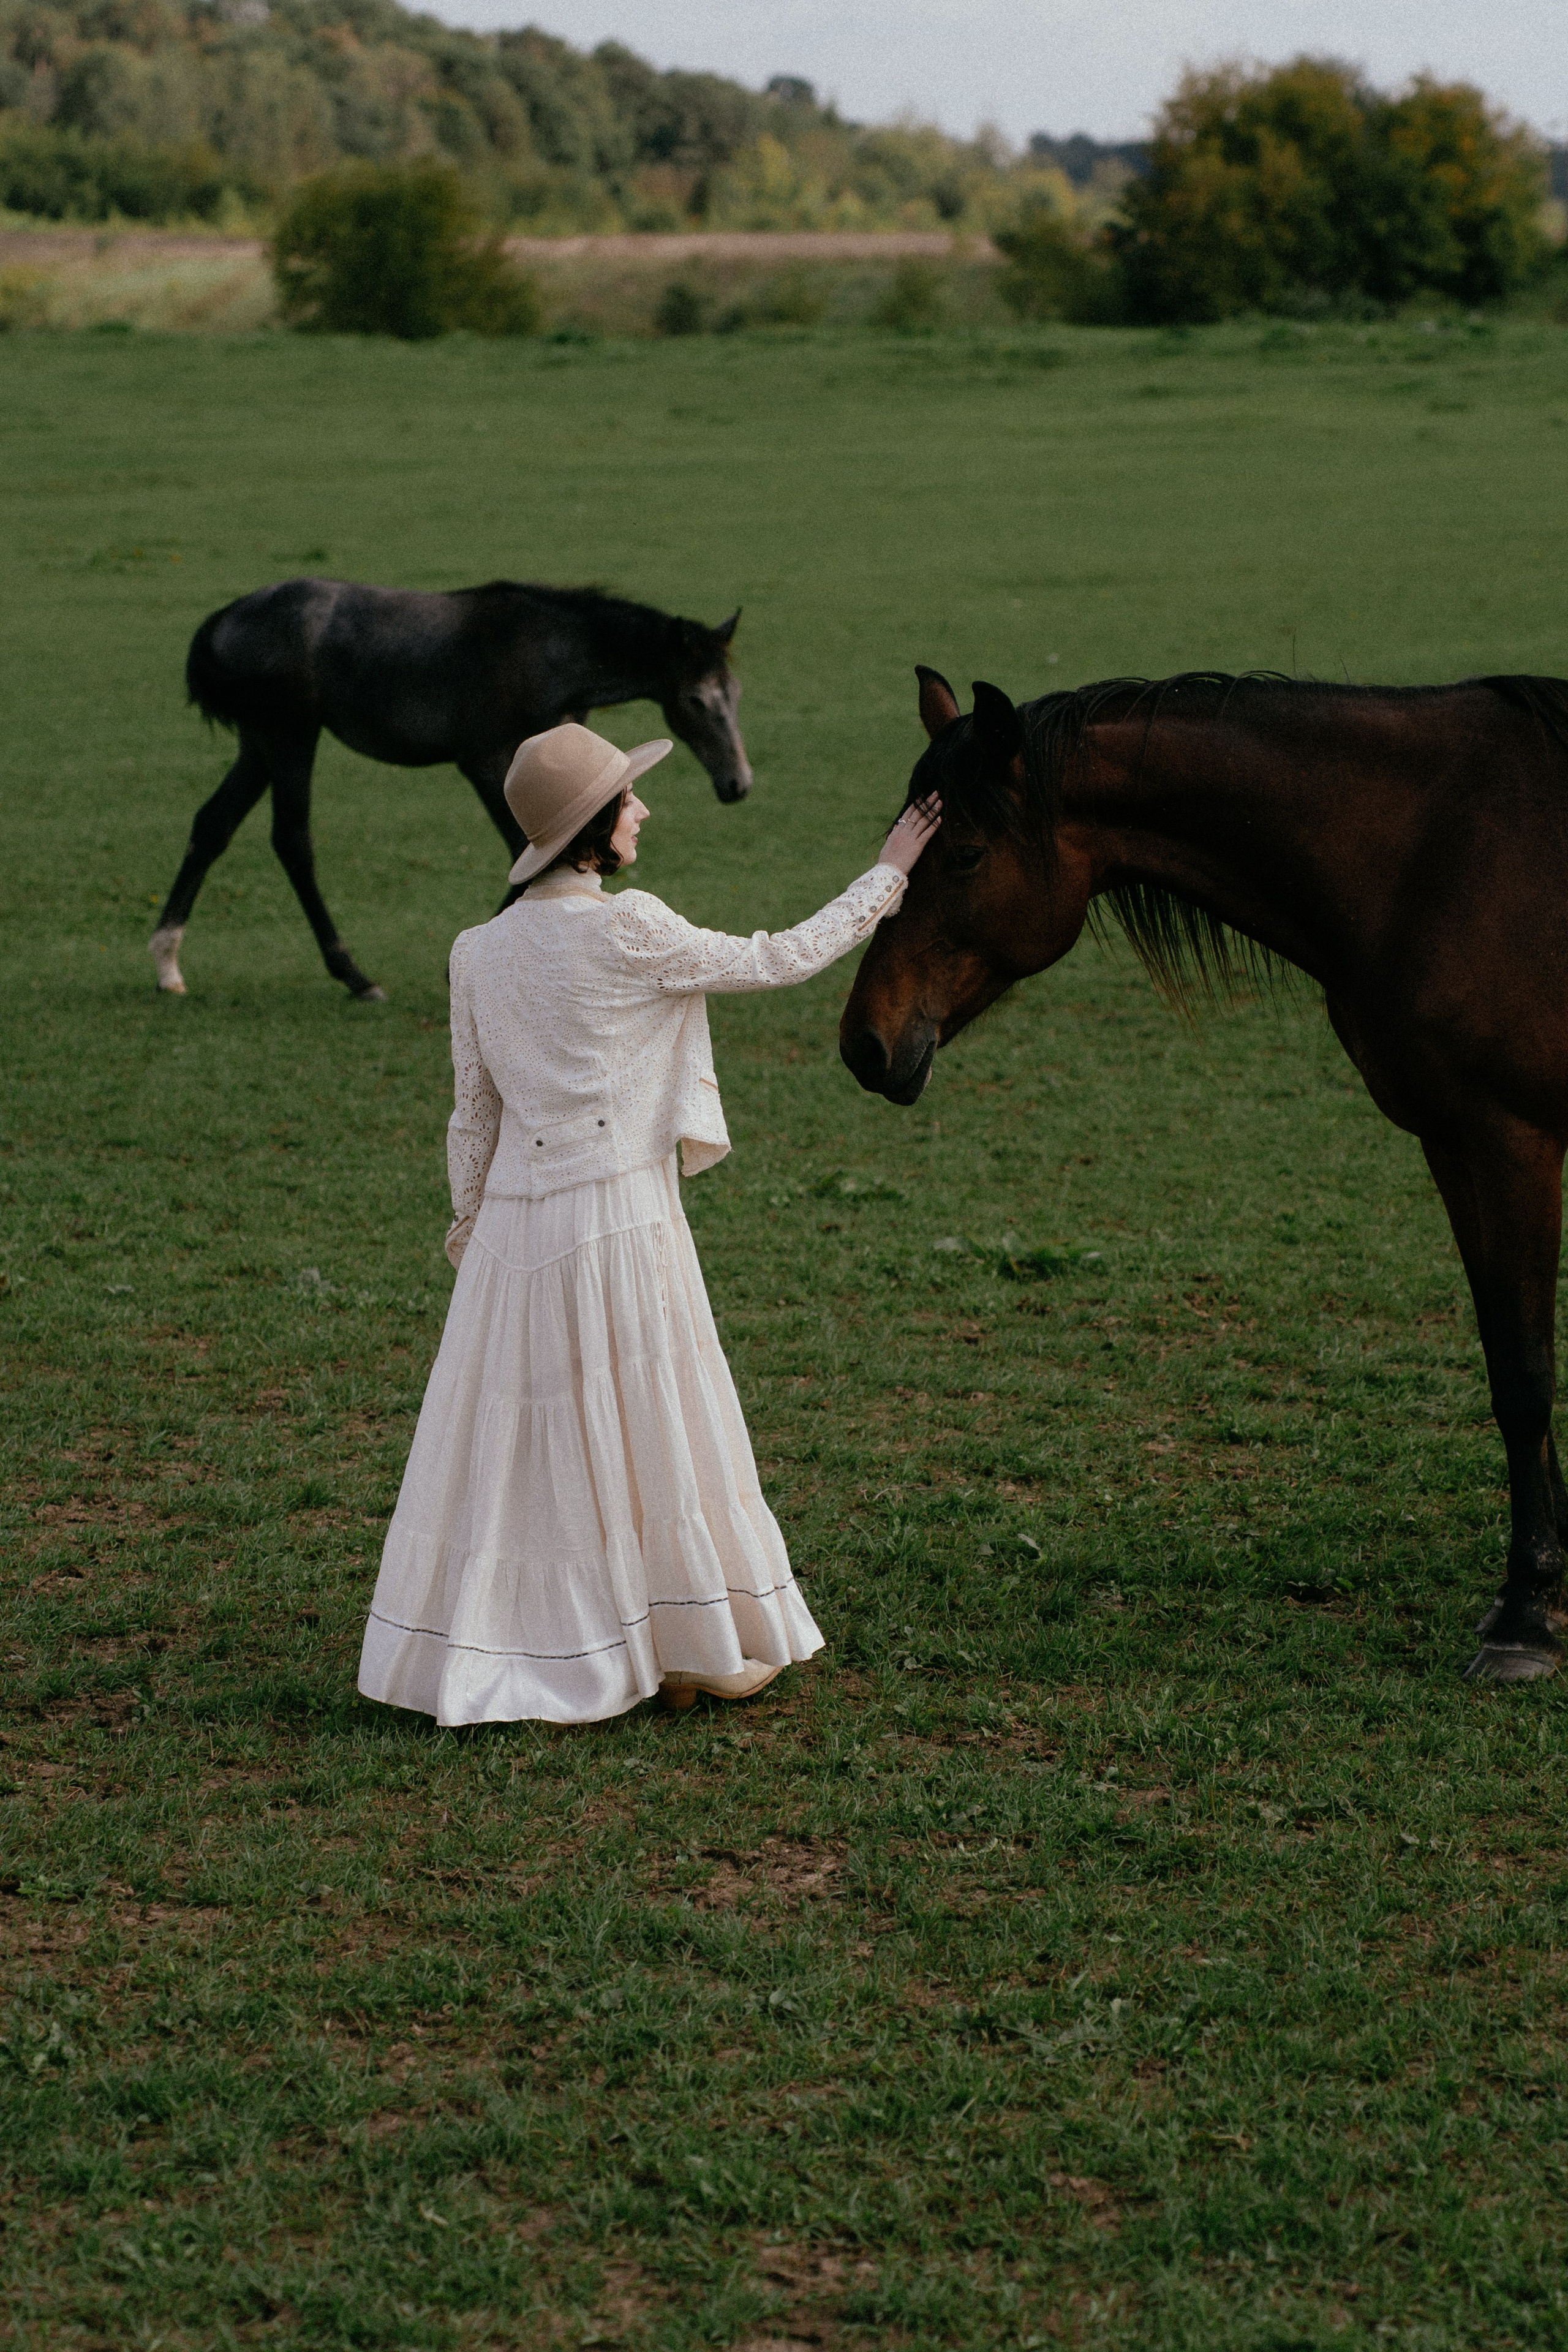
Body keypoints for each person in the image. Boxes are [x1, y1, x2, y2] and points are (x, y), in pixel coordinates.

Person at [357, 721, 940, 1727]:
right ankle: (681, 1646)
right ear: (592, 828)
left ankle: (592, 1636)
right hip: (618, 1220)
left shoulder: (477, 952)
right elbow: (780, 958)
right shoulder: (631, 930)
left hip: (513, 1232)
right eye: (627, 799)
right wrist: (889, 873)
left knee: (534, 1452)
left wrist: (473, 1234)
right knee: (651, 1428)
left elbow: (473, 1114)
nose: (642, 809)